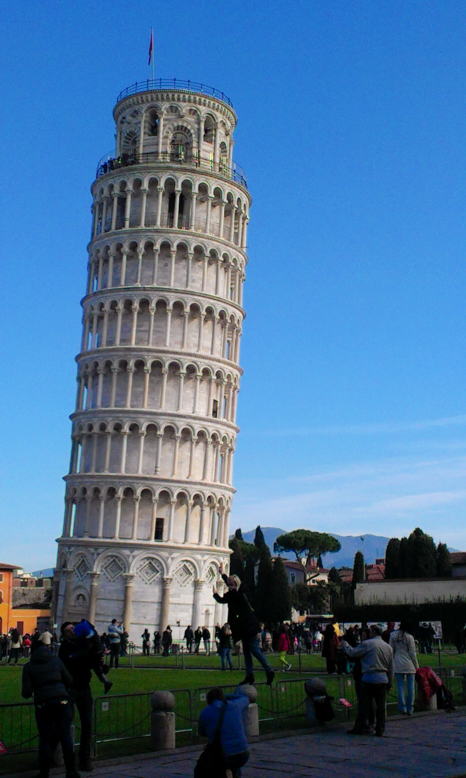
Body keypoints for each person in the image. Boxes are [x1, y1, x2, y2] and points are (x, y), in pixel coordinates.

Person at [22, 637, 80, 778]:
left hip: (43, 701)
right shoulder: (56, 661)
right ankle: (71, 770)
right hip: (61, 699)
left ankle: (44, 771)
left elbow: (26, 692)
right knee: (65, 735)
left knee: (45, 737)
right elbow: (70, 680)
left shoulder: (29, 666)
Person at [59, 620, 111, 772]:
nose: (72, 631)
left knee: (87, 724)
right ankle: (66, 758)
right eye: (68, 630)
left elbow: (93, 663)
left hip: (84, 688)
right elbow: (68, 663)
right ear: (64, 635)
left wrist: (102, 665)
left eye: (73, 628)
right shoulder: (65, 648)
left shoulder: (84, 643)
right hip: (70, 689)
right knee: (65, 723)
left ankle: (85, 759)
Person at [213, 573, 274, 686]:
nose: (229, 586)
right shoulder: (240, 592)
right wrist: (223, 574)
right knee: (247, 652)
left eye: (231, 585)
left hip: (248, 627)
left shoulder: (235, 595)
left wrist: (215, 594)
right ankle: (249, 675)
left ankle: (268, 669)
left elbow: (222, 600)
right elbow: (230, 582)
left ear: (235, 584)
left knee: (254, 650)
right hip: (247, 626)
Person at [342, 624, 394, 737]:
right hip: (383, 678)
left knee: (364, 705)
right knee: (380, 707)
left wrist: (345, 645)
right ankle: (380, 728)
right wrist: (390, 681)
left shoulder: (368, 644)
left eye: (370, 632)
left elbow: (353, 653)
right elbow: (391, 667)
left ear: (373, 632)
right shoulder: (388, 647)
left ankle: (360, 726)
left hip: (369, 677)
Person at [197, 686, 249, 777]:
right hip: (243, 752)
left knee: (215, 765)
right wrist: (228, 696)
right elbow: (245, 698)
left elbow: (201, 732)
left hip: (222, 754)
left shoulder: (205, 712)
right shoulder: (235, 705)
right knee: (235, 765)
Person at [389, 620, 419, 715]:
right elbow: (412, 653)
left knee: (400, 687)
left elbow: (391, 650)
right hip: (409, 663)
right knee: (411, 687)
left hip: (397, 662)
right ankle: (410, 707)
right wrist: (417, 666)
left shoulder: (393, 635)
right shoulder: (410, 637)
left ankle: (402, 707)